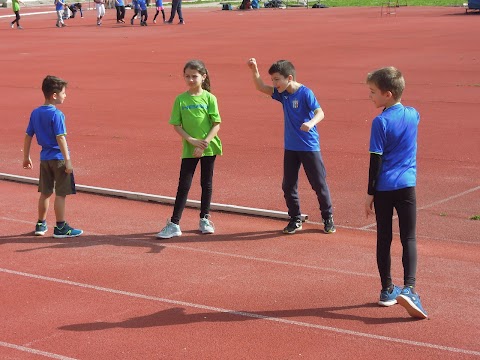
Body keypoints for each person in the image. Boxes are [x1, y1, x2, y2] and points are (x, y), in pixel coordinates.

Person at [365, 66, 427, 319]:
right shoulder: (413, 114)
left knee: (384, 238)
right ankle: (410, 289)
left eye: (373, 92)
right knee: (409, 238)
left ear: (387, 94)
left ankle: (387, 289)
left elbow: (375, 160)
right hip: (407, 186)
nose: (370, 96)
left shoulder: (380, 121)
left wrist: (370, 193)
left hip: (384, 189)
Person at [247, 58, 336, 235]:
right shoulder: (282, 94)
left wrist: (311, 123)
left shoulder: (305, 93)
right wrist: (254, 70)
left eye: (277, 79)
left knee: (318, 184)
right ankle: (295, 218)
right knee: (288, 186)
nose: (274, 83)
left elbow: (320, 112)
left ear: (289, 77)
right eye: (272, 80)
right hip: (291, 148)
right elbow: (260, 87)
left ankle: (328, 217)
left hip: (309, 147)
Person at [156, 60, 222, 239]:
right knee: (184, 185)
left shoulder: (209, 98)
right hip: (190, 149)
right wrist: (192, 141)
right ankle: (174, 224)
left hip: (209, 148)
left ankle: (205, 219)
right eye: (187, 76)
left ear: (203, 77)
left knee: (206, 184)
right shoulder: (181, 99)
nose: (191, 79)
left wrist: (204, 143)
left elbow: (216, 124)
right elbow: (176, 125)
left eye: (195, 76)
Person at [23, 75, 83, 239]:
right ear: (54, 95)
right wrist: (68, 161)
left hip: (44, 159)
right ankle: (61, 226)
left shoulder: (35, 113)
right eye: (64, 93)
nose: (65, 95)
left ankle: (41, 223)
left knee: (45, 192)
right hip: (58, 158)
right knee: (61, 194)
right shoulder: (57, 114)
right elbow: (61, 137)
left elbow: (28, 135)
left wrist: (26, 156)